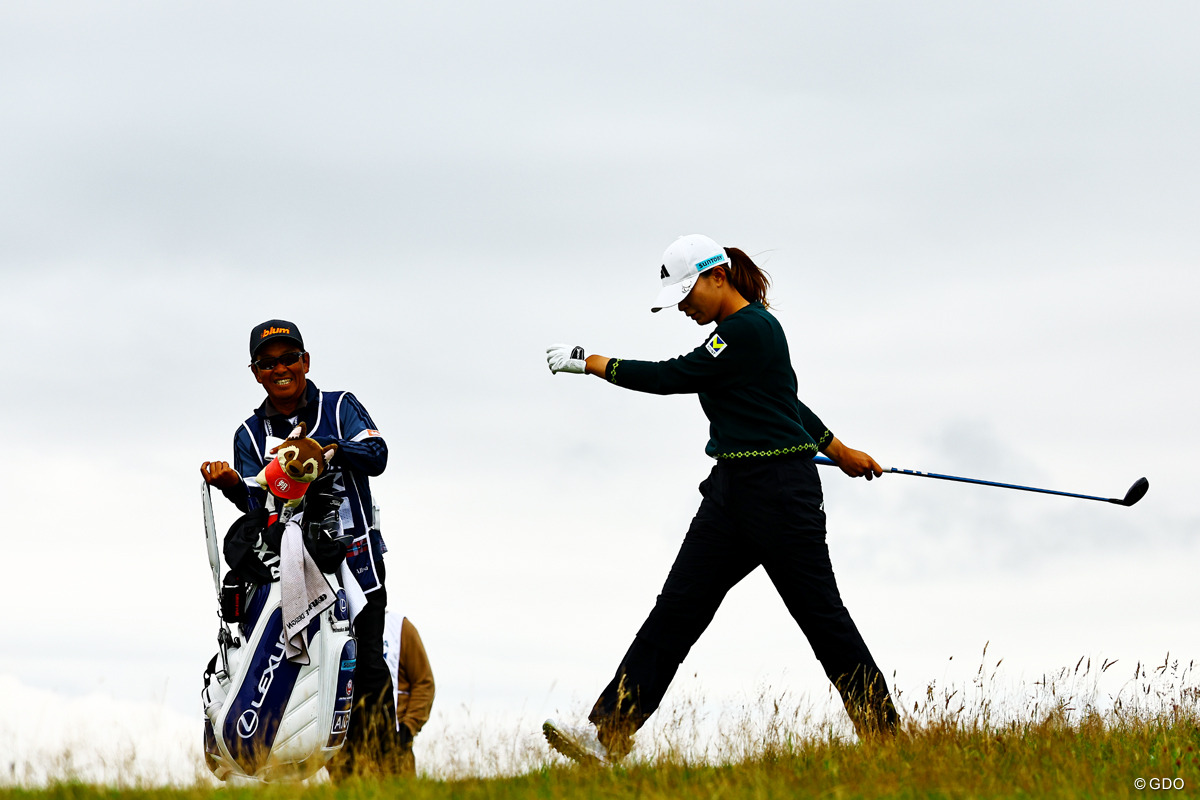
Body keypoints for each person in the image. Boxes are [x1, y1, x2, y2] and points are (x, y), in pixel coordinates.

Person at [541, 235, 899, 764]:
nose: (684, 307)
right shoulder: (735, 337)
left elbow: (673, 376)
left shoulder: (749, 330)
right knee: (676, 611)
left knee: (823, 618)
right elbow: (787, 404)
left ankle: (888, 740)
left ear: (718, 276)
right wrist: (841, 450)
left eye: (688, 294)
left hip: (780, 495)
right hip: (731, 494)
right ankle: (610, 734)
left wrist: (594, 363)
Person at [201, 319, 399, 776]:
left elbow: (378, 455)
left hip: (357, 566)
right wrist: (231, 484)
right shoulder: (249, 434)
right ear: (255, 372)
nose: (281, 369)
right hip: (291, 580)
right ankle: (337, 776)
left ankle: (389, 779)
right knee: (312, 680)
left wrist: (326, 449)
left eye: (289, 358)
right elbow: (257, 507)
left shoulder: (340, 405)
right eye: (268, 363)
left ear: (306, 362)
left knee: (366, 672)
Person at [381, 611, 436, 777]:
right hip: (350, 750)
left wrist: (408, 727)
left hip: (396, 747)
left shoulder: (399, 628)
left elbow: (424, 683)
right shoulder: (341, 622)